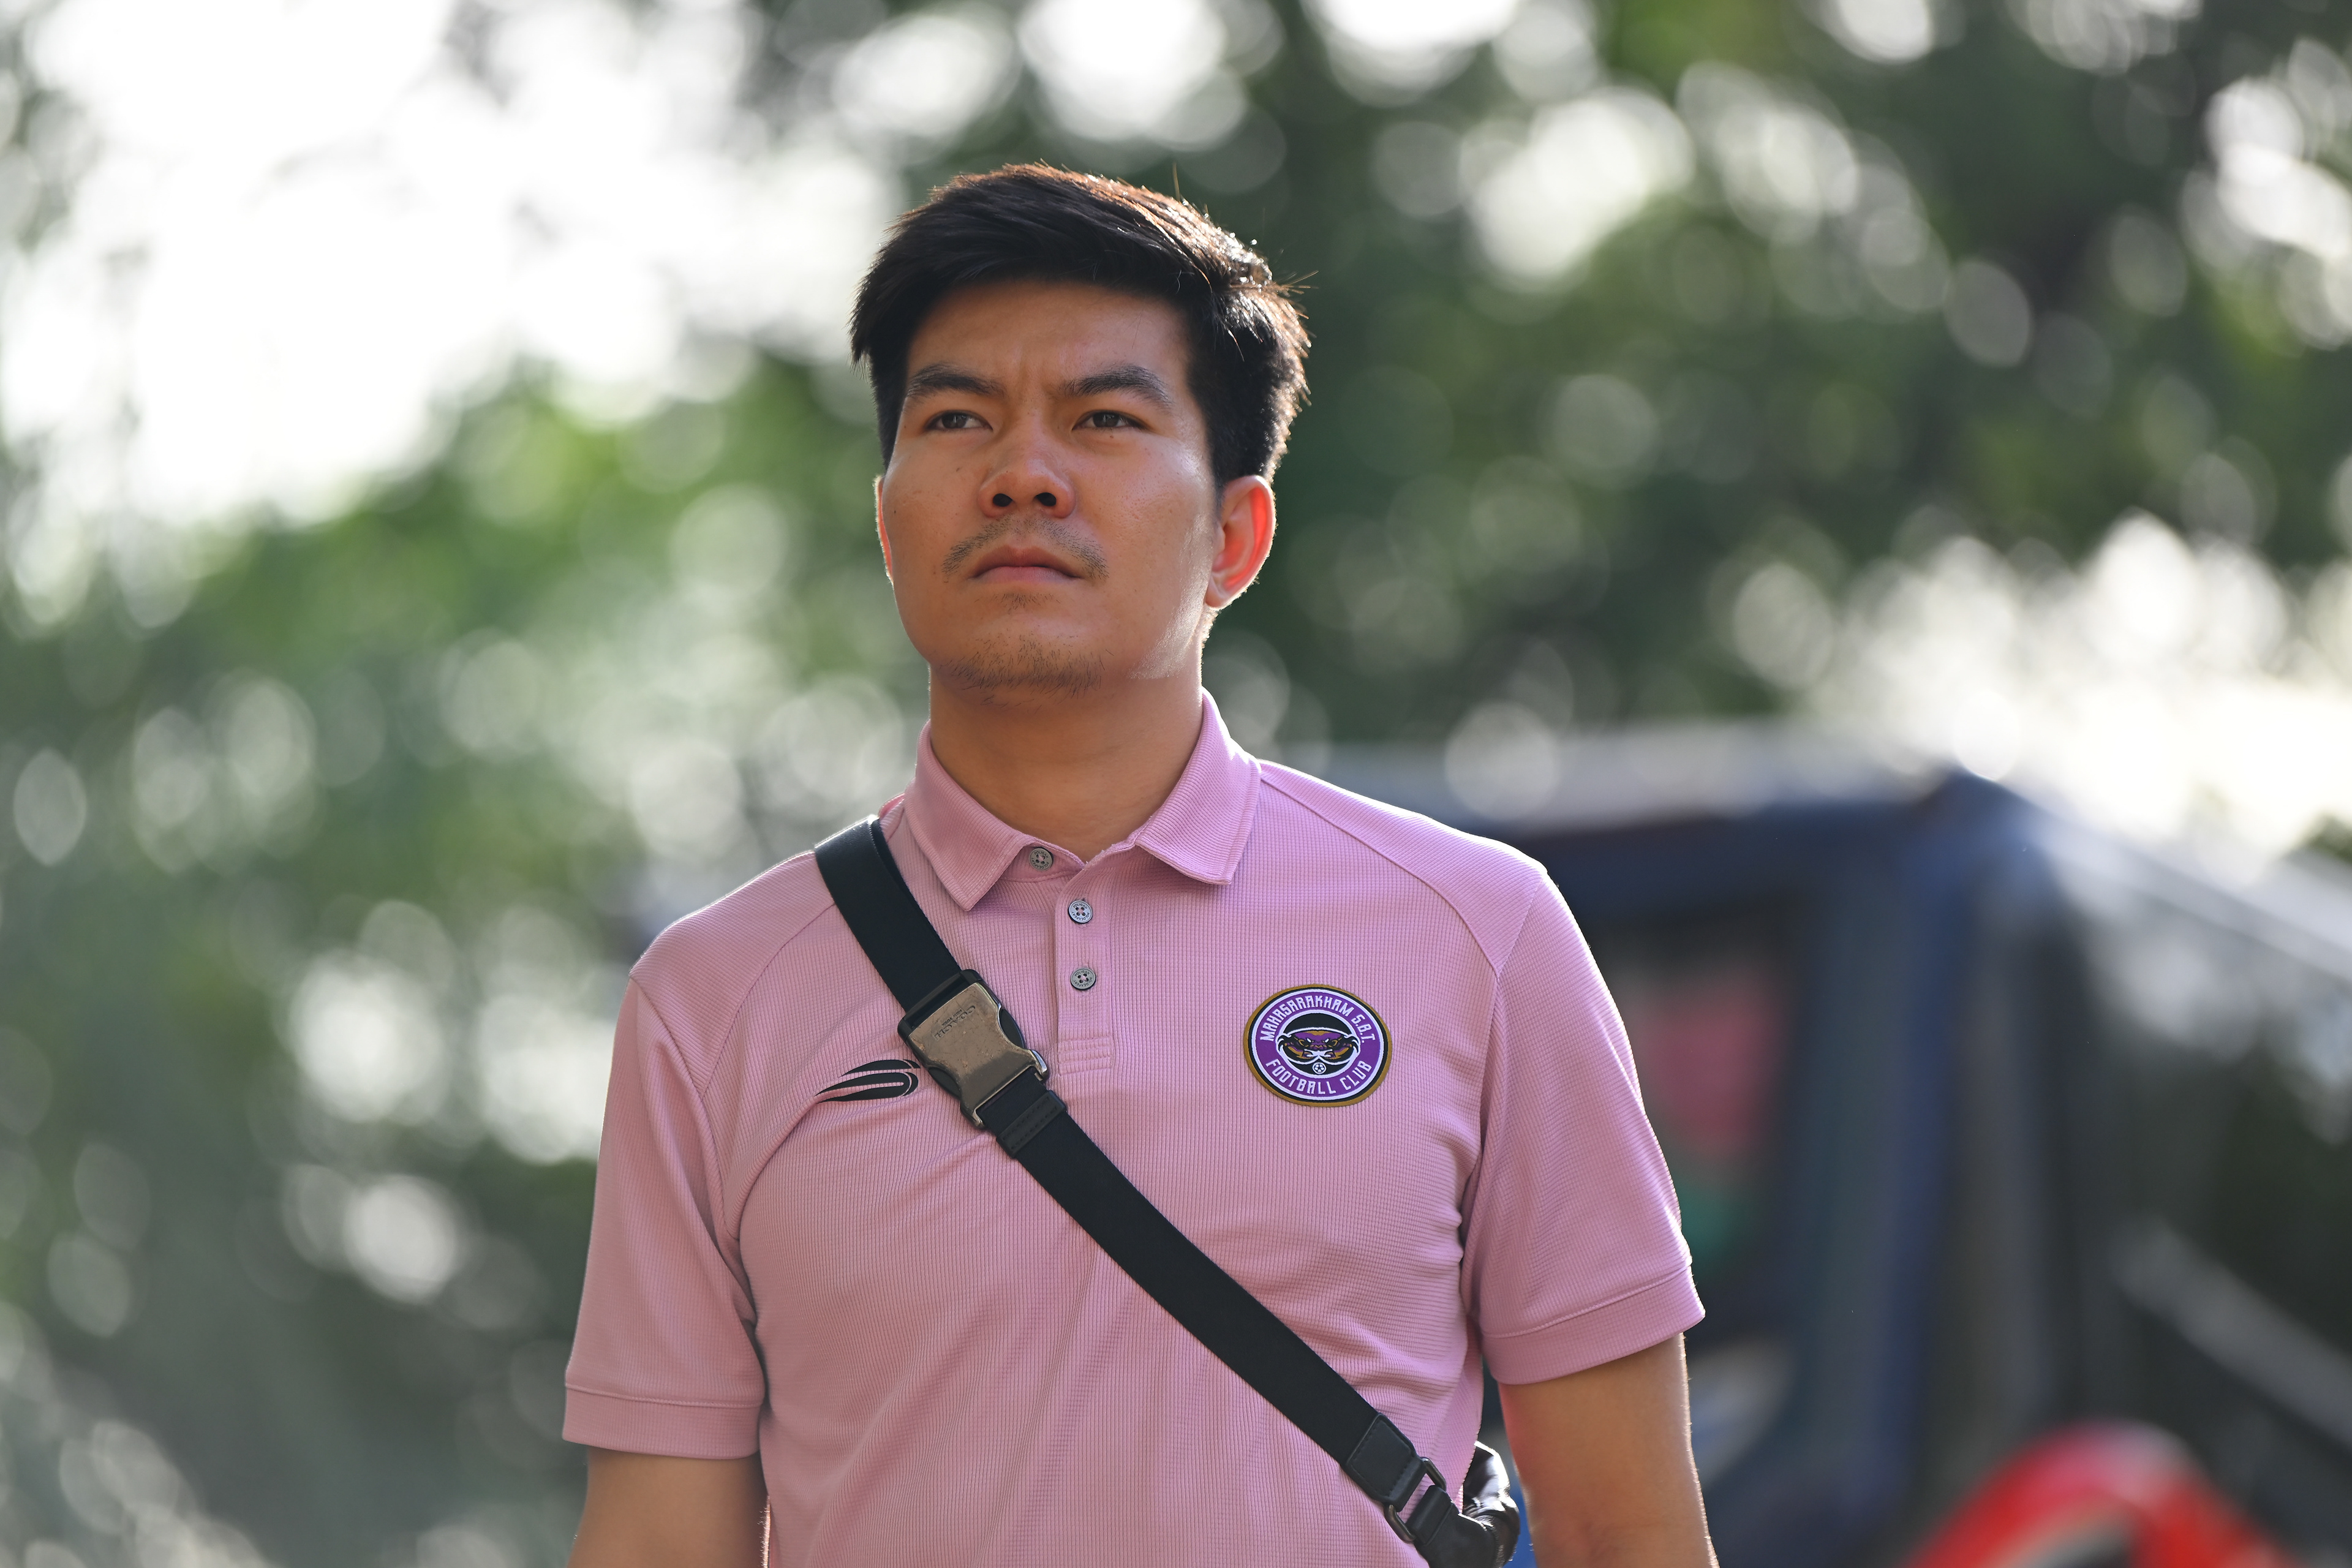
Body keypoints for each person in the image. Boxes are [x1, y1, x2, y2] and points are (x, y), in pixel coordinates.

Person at [562, 164, 1716, 1567]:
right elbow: (659, 1543)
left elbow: (1628, 1531)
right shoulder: (710, 999)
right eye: (956, 418)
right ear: (888, 519)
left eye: (1104, 418)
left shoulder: (1480, 934)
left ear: (1235, 535)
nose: (1022, 472)